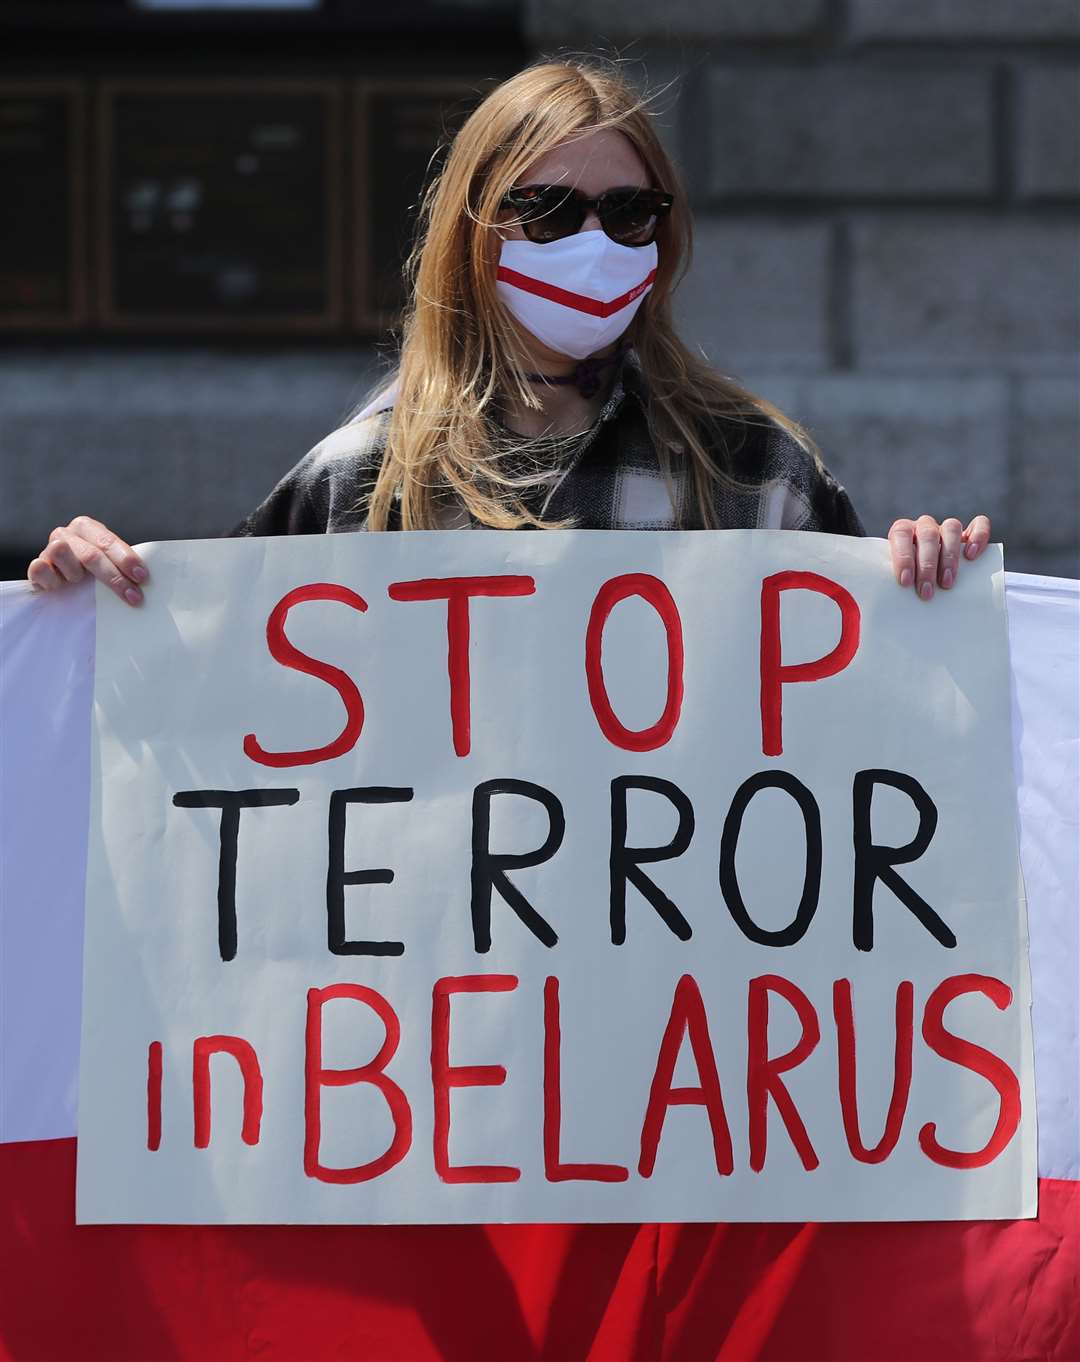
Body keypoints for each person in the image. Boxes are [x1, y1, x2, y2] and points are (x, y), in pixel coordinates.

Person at [27, 57, 991, 605]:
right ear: (474, 230)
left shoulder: (754, 468)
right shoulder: (362, 479)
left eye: (629, 211)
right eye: (547, 209)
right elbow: (207, 685)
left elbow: (880, 705)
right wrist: (89, 596)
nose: (594, 240)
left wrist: (923, 572)